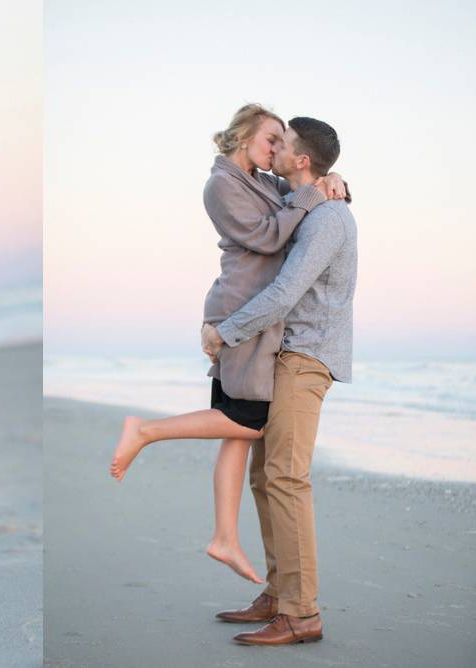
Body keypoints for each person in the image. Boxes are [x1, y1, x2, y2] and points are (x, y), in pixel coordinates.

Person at [109, 104, 348, 584]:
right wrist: (312, 194)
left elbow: (304, 185)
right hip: (242, 309)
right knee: (247, 421)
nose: (277, 149)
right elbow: (266, 237)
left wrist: (333, 178)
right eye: (270, 140)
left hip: (251, 314)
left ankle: (225, 538)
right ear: (244, 137)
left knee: (236, 429)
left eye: (283, 143)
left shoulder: (262, 181)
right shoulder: (220, 184)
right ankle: (145, 432)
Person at [202, 117, 357, 645]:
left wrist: (226, 331)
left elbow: (286, 293)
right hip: (284, 356)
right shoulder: (299, 200)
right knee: (266, 479)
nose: (276, 150)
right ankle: (278, 592)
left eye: (284, 144)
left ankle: (302, 613)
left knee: (287, 479)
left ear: (302, 160)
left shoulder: (326, 219)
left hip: (306, 358)